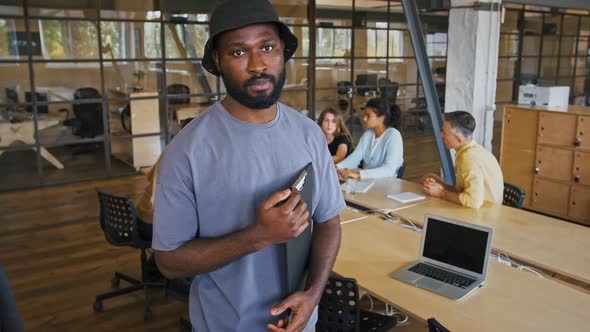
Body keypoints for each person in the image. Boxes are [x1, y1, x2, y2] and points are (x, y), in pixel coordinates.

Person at [152, 1, 345, 331]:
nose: (258, 65)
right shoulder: (187, 151)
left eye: (267, 47)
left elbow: (329, 223)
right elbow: (168, 262)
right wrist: (258, 236)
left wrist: (313, 295)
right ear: (218, 60)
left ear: (283, 50)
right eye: (238, 52)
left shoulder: (310, 134)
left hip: (301, 323)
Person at [423, 111, 503, 208]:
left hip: (483, 217)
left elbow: (474, 201)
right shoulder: (471, 151)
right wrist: (443, 186)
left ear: (458, 139)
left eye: (445, 133)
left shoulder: (469, 158)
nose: (441, 135)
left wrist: (442, 193)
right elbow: (464, 191)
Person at [336, 98, 404, 180]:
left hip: (387, 184)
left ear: (381, 118)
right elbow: (355, 158)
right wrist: (337, 167)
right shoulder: (368, 134)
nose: (364, 119)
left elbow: (389, 170)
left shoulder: (393, 135)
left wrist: (358, 174)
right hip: (368, 181)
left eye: (368, 116)